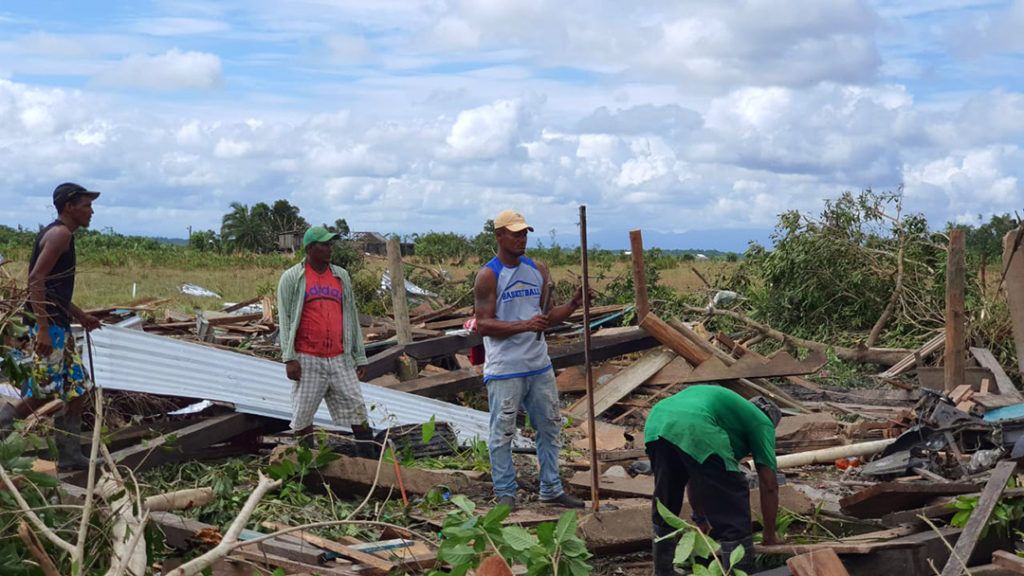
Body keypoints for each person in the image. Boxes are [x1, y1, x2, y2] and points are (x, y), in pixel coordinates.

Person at [473, 209, 586, 510]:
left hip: (538, 364)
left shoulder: (538, 269)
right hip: (505, 368)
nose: (522, 238)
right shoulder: (489, 275)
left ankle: (550, 487)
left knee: (550, 425)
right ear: (499, 236)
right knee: (503, 432)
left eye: (524, 233)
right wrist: (523, 326)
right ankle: (506, 493)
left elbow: (547, 318)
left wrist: (574, 304)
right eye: (515, 233)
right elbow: (483, 324)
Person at [0, 183, 103, 471]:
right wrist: (43, 329)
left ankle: (70, 455)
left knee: (78, 389)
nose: (91, 211)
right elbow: (36, 280)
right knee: (40, 392)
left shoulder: (63, 234)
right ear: (69, 206)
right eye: (86, 205)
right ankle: (1, 431)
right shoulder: (59, 235)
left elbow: (54, 290)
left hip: (58, 325)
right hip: (49, 329)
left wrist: (81, 316)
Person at [645, 385, 783, 575]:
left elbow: (696, 475)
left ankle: (662, 571)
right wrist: (769, 534)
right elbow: (769, 485)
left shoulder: (730, 412)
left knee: (667, 499)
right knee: (733, 504)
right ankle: (738, 572)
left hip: (657, 421)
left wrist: (700, 518)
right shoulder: (762, 422)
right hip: (694, 423)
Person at [277, 225, 374, 453]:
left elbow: (350, 315)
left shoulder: (341, 276)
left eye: (331, 244)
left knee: (358, 410)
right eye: (325, 244)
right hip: (307, 358)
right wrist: (289, 358)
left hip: (339, 358)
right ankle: (306, 466)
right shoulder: (292, 278)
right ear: (310, 248)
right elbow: (285, 319)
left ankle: (370, 464)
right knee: (303, 415)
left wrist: (359, 356)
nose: (330, 248)